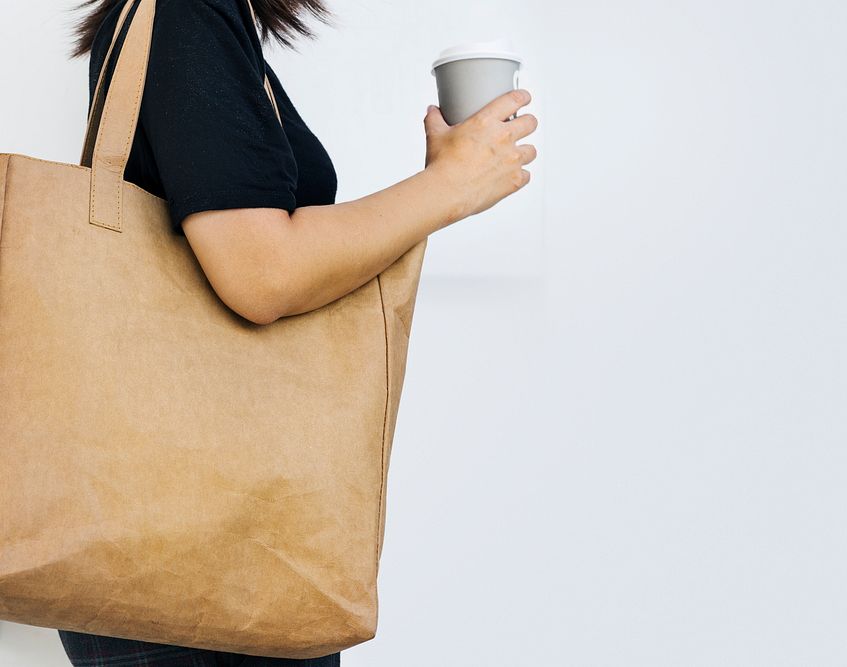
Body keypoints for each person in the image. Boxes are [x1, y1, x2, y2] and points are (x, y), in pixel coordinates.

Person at [58, 0, 537, 664]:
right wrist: (447, 187)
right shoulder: (187, 14)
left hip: (221, 535)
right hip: (190, 559)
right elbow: (261, 272)